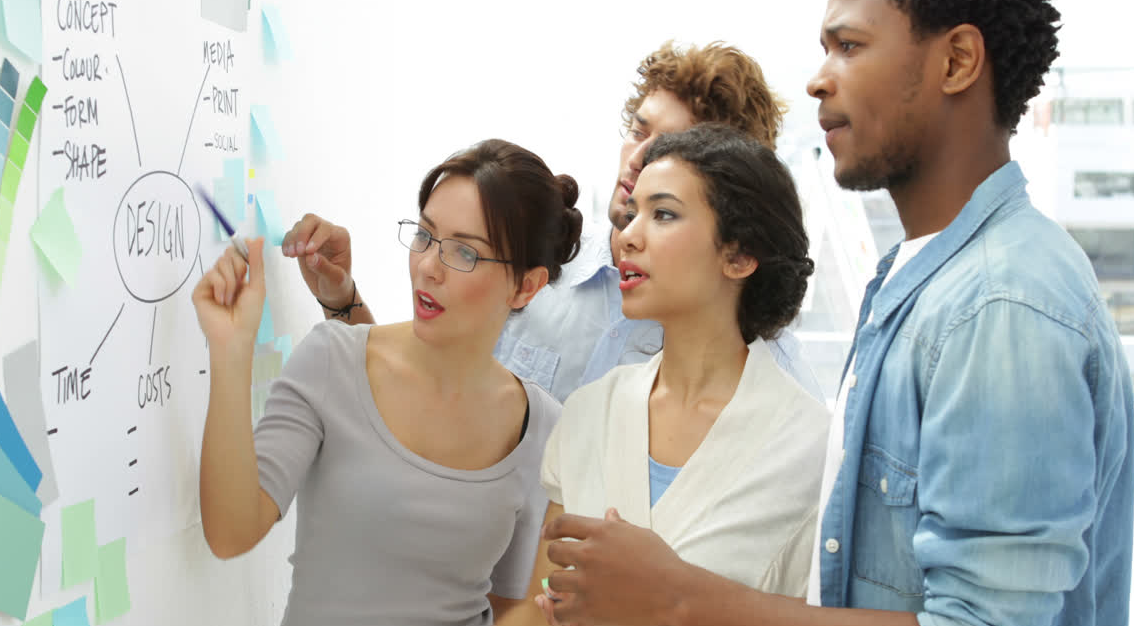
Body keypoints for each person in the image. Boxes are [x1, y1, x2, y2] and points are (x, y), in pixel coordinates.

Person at [536, 0, 1134, 626]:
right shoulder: (916, 283)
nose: (819, 77)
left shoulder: (1001, 304)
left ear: (958, 61)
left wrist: (677, 601)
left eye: (849, 46)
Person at [405, 124, 829, 626]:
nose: (628, 234)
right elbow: (547, 613)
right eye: (634, 213)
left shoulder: (809, 450)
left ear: (739, 256)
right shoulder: (591, 413)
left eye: (664, 214)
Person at [280, 41, 824, 403]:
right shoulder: (535, 258)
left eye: (672, 149)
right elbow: (414, 390)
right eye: (639, 130)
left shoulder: (755, 363)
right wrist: (340, 296)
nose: (639, 158)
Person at [192, 139, 583, 626]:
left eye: (466, 251)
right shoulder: (332, 359)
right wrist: (230, 351)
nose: (428, 267)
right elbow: (230, 532)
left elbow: (515, 618)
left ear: (526, 287)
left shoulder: (546, 430)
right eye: (425, 235)